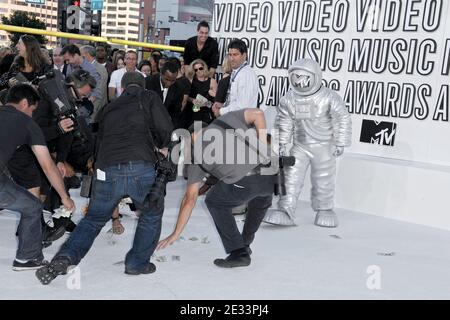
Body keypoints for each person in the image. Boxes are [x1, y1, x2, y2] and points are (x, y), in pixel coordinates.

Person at [35, 72, 174, 285]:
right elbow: (165, 129)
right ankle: (136, 264)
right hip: (140, 166)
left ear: (121, 88)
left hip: (107, 169)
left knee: (93, 220)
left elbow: (97, 141)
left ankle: (65, 257)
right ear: (143, 86)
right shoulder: (149, 97)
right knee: (151, 215)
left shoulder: (109, 108)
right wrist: (161, 146)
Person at [158, 108, 273, 268]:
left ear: (191, 137)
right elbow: (258, 113)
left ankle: (239, 252)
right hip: (271, 176)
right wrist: (262, 149)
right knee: (258, 199)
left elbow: (189, 199)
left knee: (214, 201)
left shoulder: (196, 155)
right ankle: (245, 243)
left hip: (246, 181)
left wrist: (175, 233)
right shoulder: (226, 120)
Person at [263, 59, 352, 227]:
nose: (298, 81)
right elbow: (284, 122)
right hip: (300, 145)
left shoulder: (328, 97)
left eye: (303, 77)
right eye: (295, 77)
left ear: (315, 76)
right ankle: (286, 210)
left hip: (324, 145)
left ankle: (325, 209)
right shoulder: (289, 98)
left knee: (323, 178)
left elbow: (342, 118)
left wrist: (341, 142)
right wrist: (281, 144)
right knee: (291, 176)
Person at [0, 84, 75, 271]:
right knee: (32, 206)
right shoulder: (27, 123)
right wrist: (64, 197)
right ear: (25, 103)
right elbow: (48, 166)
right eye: (33, 110)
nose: (32, 115)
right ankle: (28, 258)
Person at [212, 39, 258, 118]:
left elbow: (242, 106)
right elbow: (235, 101)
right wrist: (223, 106)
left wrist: (221, 111)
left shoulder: (246, 74)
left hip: (240, 123)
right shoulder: (238, 72)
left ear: (244, 55)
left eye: (235, 55)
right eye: (230, 55)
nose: (232, 58)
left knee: (200, 129)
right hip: (234, 120)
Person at [145, 60, 184, 128]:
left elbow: (175, 113)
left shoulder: (178, 89)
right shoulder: (147, 82)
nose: (169, 83)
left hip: (164, 128)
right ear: (161, 74)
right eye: (167, 79)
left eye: (173, 80)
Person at [185, 59, 217, 126]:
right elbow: (185, 97)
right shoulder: (190, 80)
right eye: (196, 70)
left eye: (200, 68)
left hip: (207, 114)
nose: (198, 71)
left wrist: (206, 103)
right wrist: (192, 100)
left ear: (204, 68)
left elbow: (216, 102)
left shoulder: (212, 81)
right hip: (192, 113)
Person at [80, 45, 108, 122]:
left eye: (81, 55)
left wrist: (90, 114)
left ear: (87, 55)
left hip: (93, 114)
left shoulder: (99, 69)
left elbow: (99, 94)